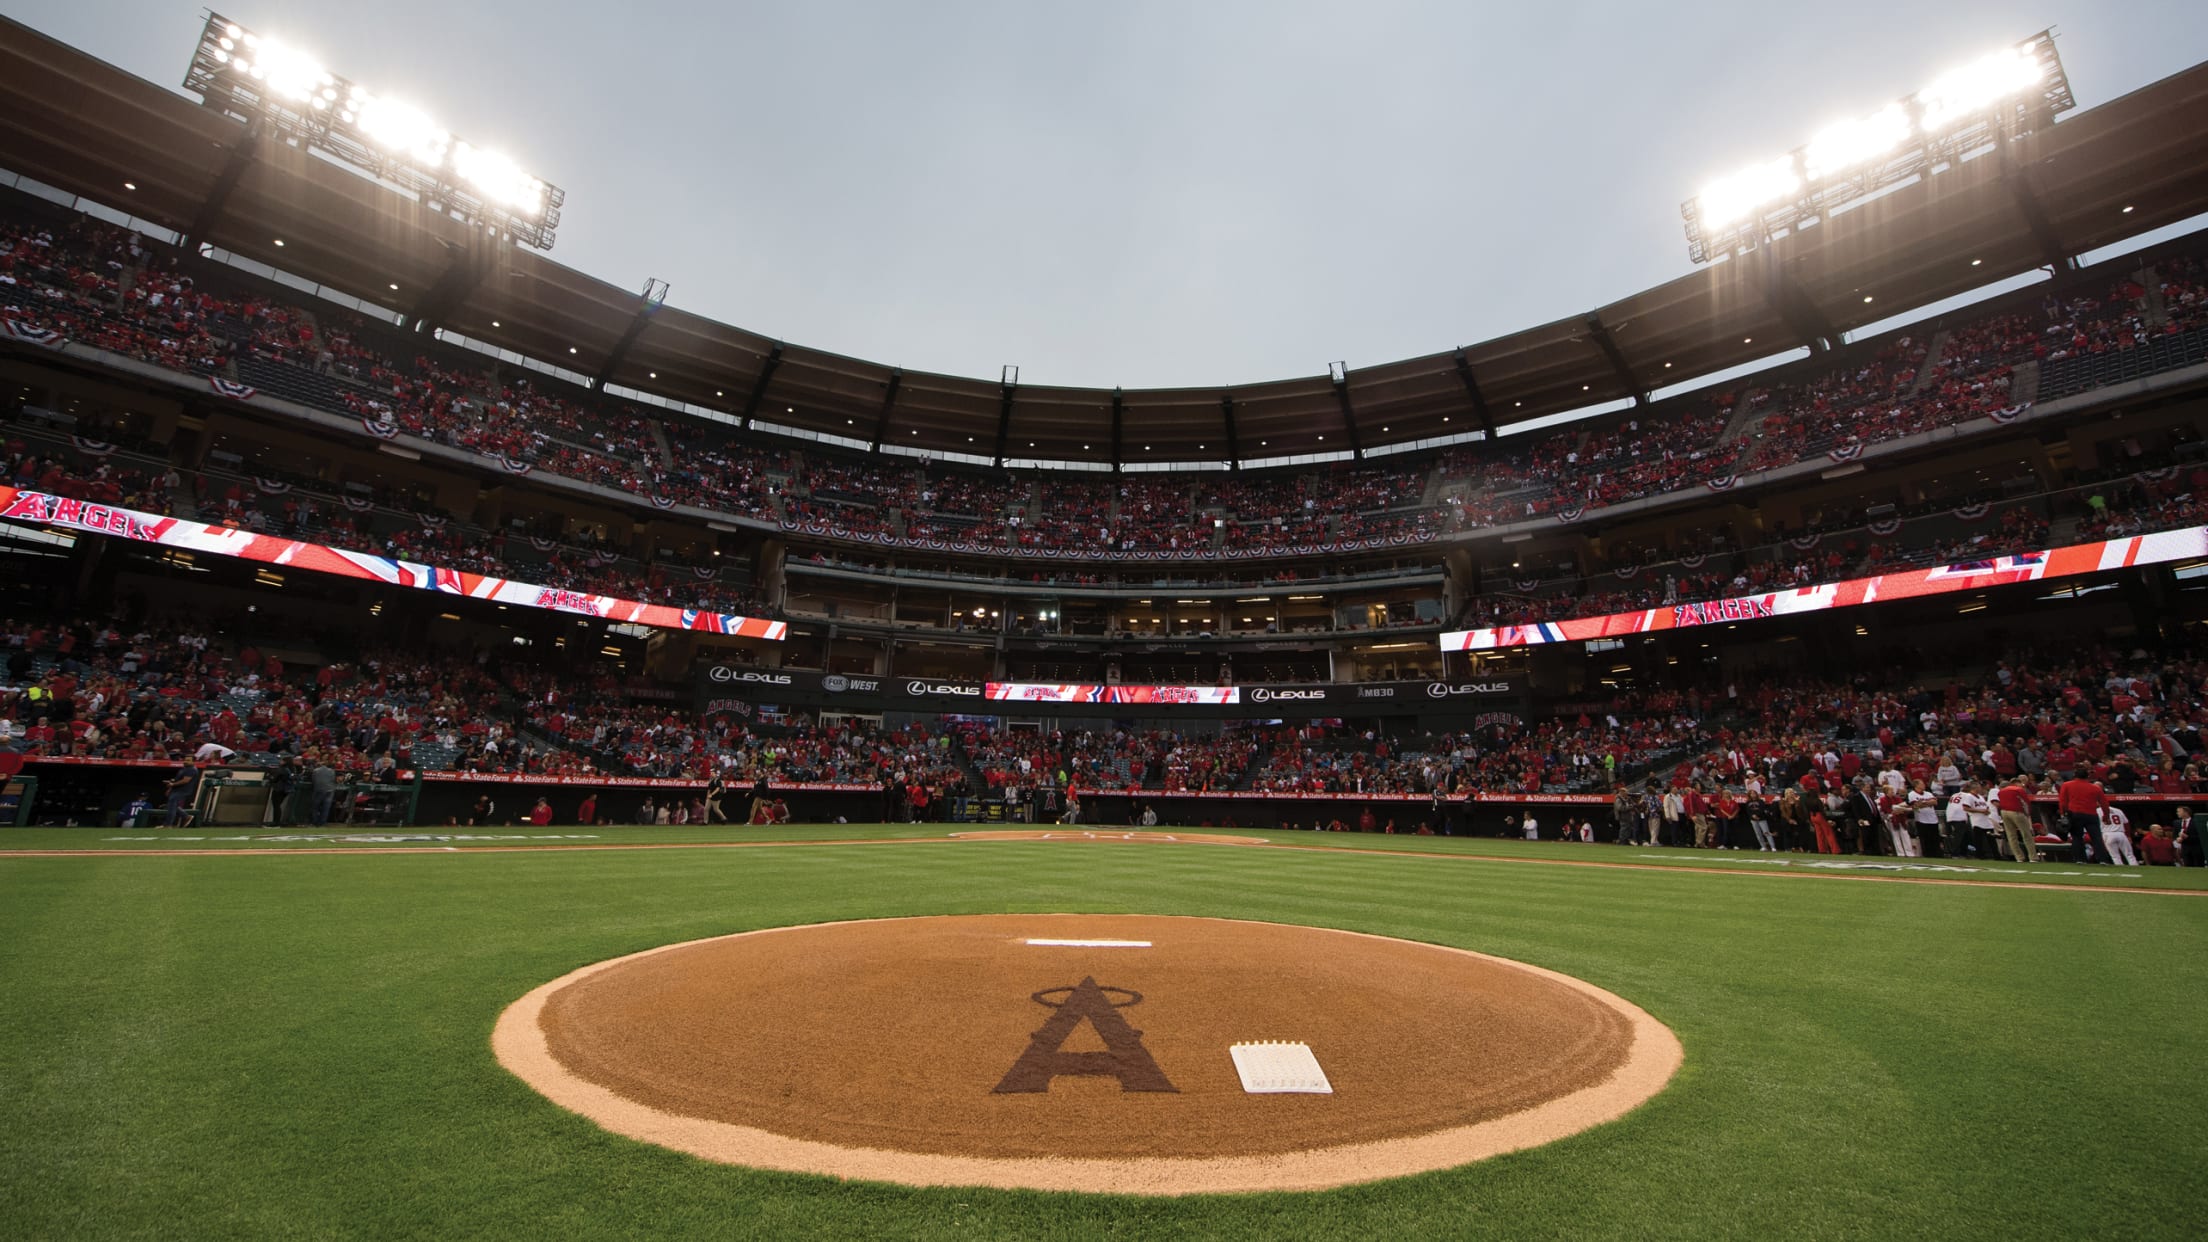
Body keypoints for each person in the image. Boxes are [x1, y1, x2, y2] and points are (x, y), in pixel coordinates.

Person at [2057, 771, 2108, 865]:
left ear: (2074, 775)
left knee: (2077, 837)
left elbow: (2063, 801)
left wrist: (2063, 814)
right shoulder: (2095, 787)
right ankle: (2102, 859)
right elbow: (2104, 803)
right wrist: (2106, 816)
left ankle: (2080, 859)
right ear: (2087, 777)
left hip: (2075, 813)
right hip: (2091, 814)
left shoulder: (2067, 785)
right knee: (2096, 837)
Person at [1995, 776, 2037, 863]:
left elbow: (1999, 804)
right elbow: (2026, 802)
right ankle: (2033, 857)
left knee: (2011, 836)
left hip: (2004, 812)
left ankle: (2019, 857)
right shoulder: (2018, 790)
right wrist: (2027, 814)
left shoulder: (2001, 791)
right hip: (2016, 812)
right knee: (2026, 835)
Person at [163, 758, 200, 828]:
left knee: (172, 805)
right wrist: (171, 787)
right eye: (185, 760)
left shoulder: (191, 769)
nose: (185, 761)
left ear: (193, 762)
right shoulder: (184, 769)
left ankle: (168, 825)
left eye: (188, 760)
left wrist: (172, 785)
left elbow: (185, 780)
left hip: (183, 790)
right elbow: (177, 780)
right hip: (176, 790)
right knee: (171, 806)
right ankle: (186, 816)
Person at [309, 759, 338, 827]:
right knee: (326, 808)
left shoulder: (315, 771)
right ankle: (322, 823)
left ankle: (315, 822)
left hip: (319, 790)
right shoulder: (332, 771)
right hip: (329, 791)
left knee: (315, 807)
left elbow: (313, 780)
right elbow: (333, 780)